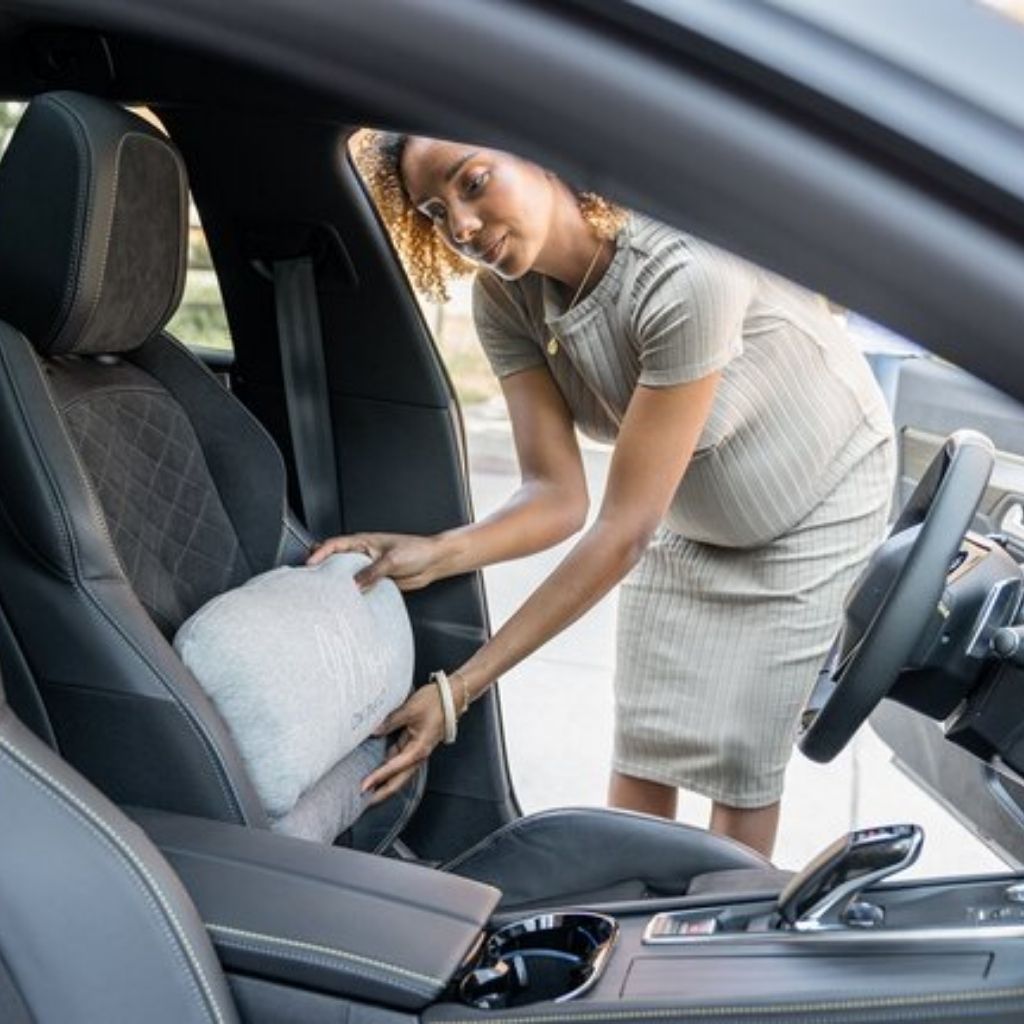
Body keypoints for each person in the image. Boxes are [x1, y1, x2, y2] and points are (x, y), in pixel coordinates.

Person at [309, 133, 895, 858]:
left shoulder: (685, 273)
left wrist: (457, 692)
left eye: (475, 181)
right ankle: (634, 929)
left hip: (817, 501)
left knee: (740, 762)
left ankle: (723, 941)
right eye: (434, 211)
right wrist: (437, 553)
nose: (459, 227)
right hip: (690, 515)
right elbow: (555, 496)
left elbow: (621, 532)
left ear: (544, 149)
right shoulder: (506, 299)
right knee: (649, 742)